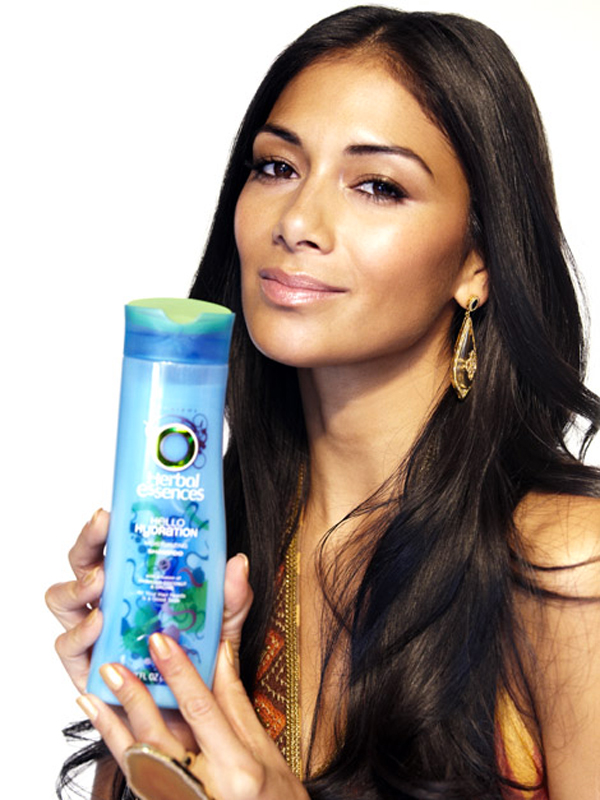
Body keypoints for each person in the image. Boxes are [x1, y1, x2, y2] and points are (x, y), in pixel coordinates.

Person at [46, 5, 600, 799]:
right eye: (276, 167)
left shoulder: (567, 567)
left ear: (477, 262)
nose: (298, 221)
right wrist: (152, 729)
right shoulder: (211, 561)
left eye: (378, 186)